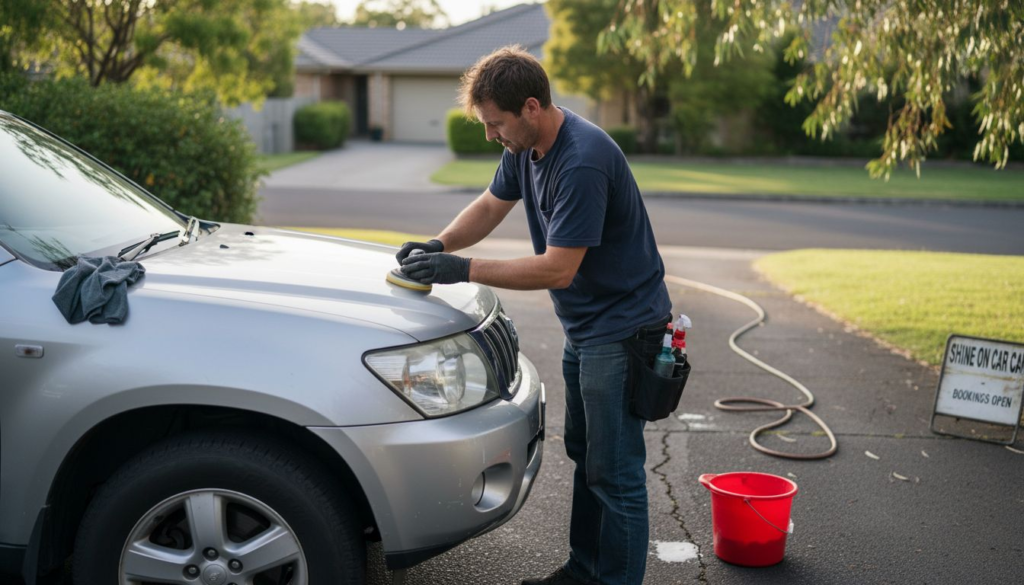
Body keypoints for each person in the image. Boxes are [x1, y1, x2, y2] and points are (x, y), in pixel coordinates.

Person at [396, 45, 671, 585]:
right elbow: (489, 206)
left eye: (495, 124)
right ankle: (584, 570)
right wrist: (438, 245)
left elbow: (557, 270)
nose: (489, 135)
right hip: (588, 330)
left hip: (621, 331)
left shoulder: (582, 159)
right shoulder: (525, 148)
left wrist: (461, 268)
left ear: (530, 108)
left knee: (615, 475)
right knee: (587, 457)